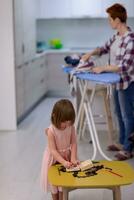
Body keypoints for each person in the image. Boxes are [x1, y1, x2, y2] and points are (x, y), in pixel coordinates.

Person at [81, 3, 134, 160]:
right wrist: (90, 53)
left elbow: (125, 67)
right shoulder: (116, 37)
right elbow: (103, 49)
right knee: (119, 113)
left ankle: (128, 149)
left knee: (127, 115)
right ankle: (121, 143)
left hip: (127, 82)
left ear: (117, 20)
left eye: (110, 19)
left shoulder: (130, 40)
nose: (109, 22)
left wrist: (103, 68)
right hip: (116, 82)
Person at [40, 99, 79, 200]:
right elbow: (53, 151)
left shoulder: (71, 127)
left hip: (66, 157)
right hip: (53, 159)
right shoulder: (51, 131)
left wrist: (73, 157)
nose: (66, 125)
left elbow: (74, 143)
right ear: (55, 116)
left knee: (63, 183)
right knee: (54, 184)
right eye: (64, 122)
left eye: (69, 122)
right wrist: (63, 162)